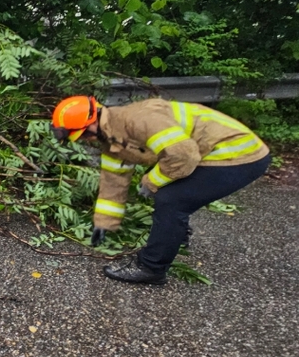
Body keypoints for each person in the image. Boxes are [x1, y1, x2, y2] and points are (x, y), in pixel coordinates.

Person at [51, 95, 271, 284]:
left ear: (93, 120)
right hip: (203, 152)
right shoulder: (111, 140)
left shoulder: (138, 121)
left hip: (238, 153)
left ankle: (151, 268)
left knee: (171, 200)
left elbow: (183, 156)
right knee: (173, 192)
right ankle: (176, 235)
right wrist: (104, 223)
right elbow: (113, 183)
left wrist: (150, 181)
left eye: (84, 135)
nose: (86, 141)